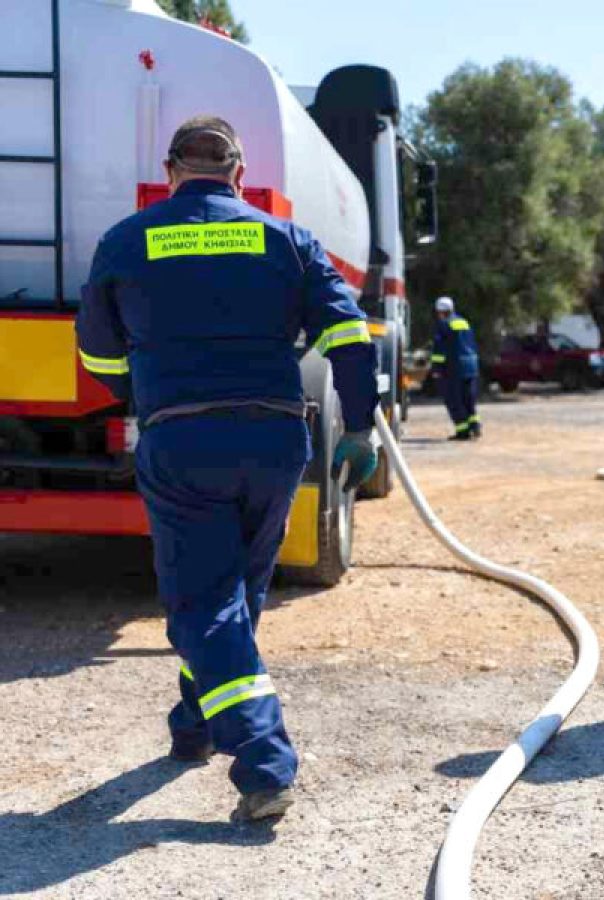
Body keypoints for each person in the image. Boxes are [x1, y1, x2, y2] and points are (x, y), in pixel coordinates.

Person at [76, 116, 379, 821]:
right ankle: (195, 725)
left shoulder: (127, 240)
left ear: (172, 171)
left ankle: (265, 762)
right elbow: (349, 335)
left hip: (182, 442)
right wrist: (360, 426)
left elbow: (95, 353)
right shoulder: (287, 238)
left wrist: (146, 393)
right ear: (240, 175)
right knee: (231, 591)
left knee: (203, 600)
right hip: (275, 440)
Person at [430, 296, 481, 440]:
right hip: (471, 365)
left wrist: (437, 369)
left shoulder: (444, 324)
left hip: (455, 367)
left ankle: (463, 431)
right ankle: (475, 426)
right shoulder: (464, 322)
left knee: (454, 399)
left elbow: (439, 350)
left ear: (440, 311)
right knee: (468, 398)